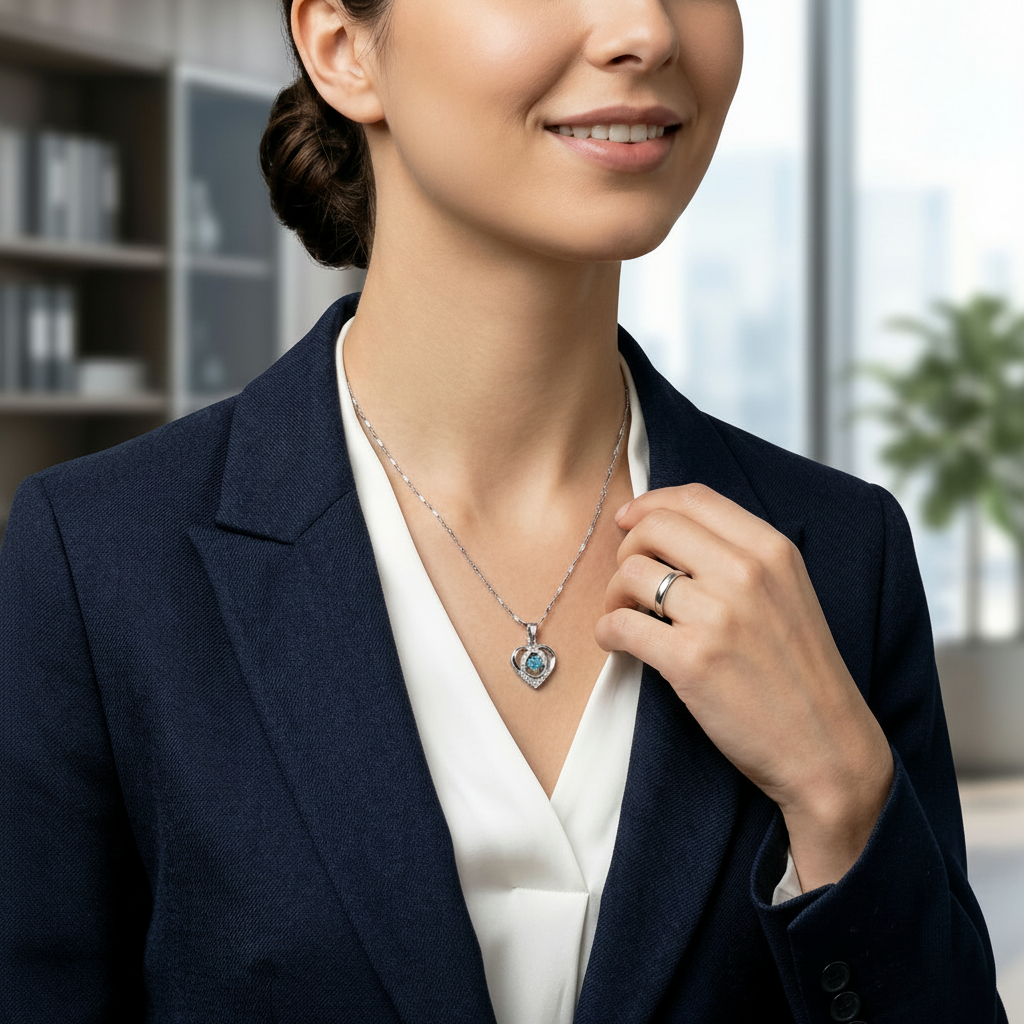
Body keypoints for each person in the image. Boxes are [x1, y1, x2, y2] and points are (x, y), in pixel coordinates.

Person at [0, 0, 1007, 1020]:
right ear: (343, 49)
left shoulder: (839, 555)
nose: (646, 30)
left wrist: (839, 795)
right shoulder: (97, 564)